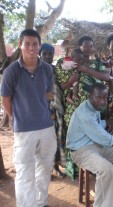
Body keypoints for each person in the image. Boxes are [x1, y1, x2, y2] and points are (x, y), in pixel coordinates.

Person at [1, 29, 57, 207]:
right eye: (28, 44)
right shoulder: (11, 71)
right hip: (23, 130)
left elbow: (48, 95)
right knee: (25, 173)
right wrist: (15, 117)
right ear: (20, 45)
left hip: (46, 128)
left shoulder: (48, 69)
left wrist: (40, 107)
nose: (32, 48)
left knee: (44, 167)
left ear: (39, 45)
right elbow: (5, 99)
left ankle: (41, 202)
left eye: (35, 44)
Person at [57, 36, 111, 180]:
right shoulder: (68, 63)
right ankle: (74, 171)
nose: (88, 48)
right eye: (85, 46)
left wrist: (85, 69)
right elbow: (61, 85)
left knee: (94, 134)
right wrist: (70, 83)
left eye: (91, 46)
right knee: (75, 138)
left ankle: (94, 166)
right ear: (79, 47)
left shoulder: (97, 63)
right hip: (74, 107)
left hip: (94, 108)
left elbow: (107, 78)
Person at [39, 43, 66, 178]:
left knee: (57, 137)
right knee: (46, 140)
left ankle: (55, 165)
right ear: (40, 55)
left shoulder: (56, 70)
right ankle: (47, 168)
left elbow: (61, 87)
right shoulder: (37, 70)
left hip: (57, 109)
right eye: (45, 54)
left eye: (50, 54)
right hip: (44, 110)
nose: (48, 56)